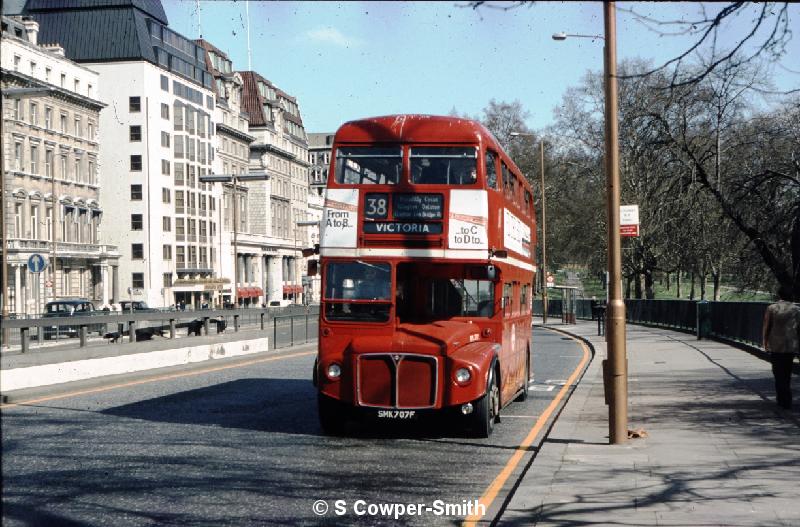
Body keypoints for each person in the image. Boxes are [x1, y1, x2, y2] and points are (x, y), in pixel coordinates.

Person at [762, 285, 800, 410]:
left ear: (779, 295)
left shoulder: (772, 308)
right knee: (787, 371)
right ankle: (787, 398)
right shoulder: (796, 309)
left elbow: (767, 326)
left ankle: (781, 398)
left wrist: (765, 342)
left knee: (778, 372)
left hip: (776, 344)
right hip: (790, 345)